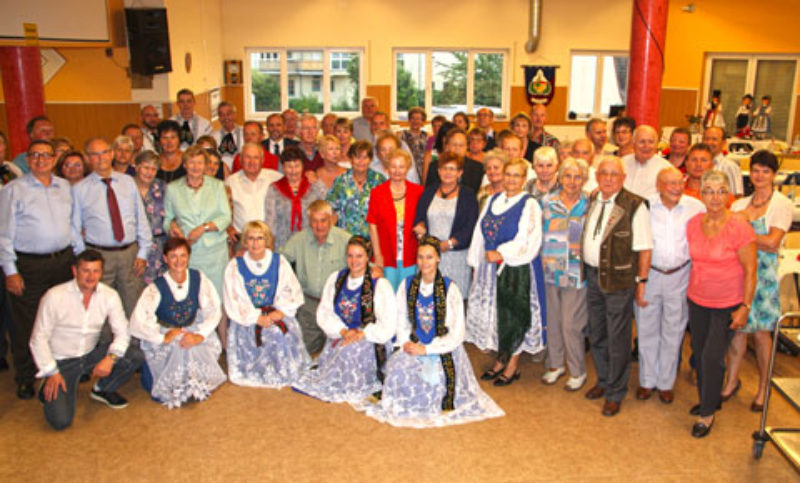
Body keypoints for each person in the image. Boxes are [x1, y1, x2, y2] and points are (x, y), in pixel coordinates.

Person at [362, 236, 505, 428]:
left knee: (435, 380)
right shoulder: (407, 285)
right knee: (397, 370)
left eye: (429, 257)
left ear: (438, 258)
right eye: (420, 257)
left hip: (443, 348)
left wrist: (428, 350)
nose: (424, 262)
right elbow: (401, 319)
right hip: (415, 343)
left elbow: (456, 334)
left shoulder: (450, 289)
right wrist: (406, 342)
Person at [29, 250, 143, 430]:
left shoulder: (109, 295)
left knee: (134, 354)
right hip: (61, 363)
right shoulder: (54, 296)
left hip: (90, 355)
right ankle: (49, 384)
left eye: (96, 271)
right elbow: (37, 339)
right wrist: (51, 371)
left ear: (101, 272)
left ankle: (102, 388)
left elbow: (123, 332)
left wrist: (110, 358)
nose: (91, 276)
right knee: (61, 422)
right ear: (75, 271)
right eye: (86, 271)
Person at [0, 140, 76, 399]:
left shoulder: (64, 187)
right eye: (35, 156)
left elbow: (71, 225)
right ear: (28, 159)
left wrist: (79, 257)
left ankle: (58, 368)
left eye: (46, 156)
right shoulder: (14, 190)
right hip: (29, 265)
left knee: (60, 319)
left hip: (63, 262)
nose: (41, 160)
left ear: (54, 159)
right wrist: (10, 271)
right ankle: (26, 376)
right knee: (27, 323)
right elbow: (4, 235)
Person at [686, 170, 756, 437]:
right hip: (698, 299)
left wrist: (745, 307)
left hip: (728, 303)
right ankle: (710, 398)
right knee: (699, 352)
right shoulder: (693, 223)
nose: (715, 197)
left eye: (720, 191)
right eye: (709, 191)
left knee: (712, 356)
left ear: (728, 194)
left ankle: (706, 414)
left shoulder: (739, 226)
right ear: (701, 194)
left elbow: (751, 270)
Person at [582, 156, 652, 417]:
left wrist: (641, 283)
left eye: (614, 174)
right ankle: (603, 380)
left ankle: (615, 391)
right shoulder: (593, 199)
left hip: (619, 282)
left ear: (623, 178)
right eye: (604, 173)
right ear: (597, 176)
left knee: (618, 338)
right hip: (593, 277)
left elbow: (644, 248)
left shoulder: (635, 205)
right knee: (597, 333)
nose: (609, 178)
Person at [723, 151, 792, 412]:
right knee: (738, 331)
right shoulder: (740, 205)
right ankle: (731, 380)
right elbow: (729, 238)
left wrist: (745, 230)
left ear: (774, 174)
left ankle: (764, 387)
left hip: (763, 278)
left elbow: (773, 243)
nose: (759, 175)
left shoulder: (781, 205)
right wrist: (747, 232)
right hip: (738, 273)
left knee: (762, 335)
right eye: (755, 170)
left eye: (765, 170)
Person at [466, 157, 544, 386]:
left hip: (514, 267)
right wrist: (476, 262)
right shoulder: (493, 199)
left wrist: (501, 253)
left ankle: (513, 364)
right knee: (496, 316)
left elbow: (528, 238)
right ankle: (501, 359)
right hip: (489, 268)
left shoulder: (529, 203)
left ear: (524, 178)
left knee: (513, 314)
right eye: (508, 174)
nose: (511, 179)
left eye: (516, 175)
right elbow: (479, 233)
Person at [292, 236, 396, 403]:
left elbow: (388, 324)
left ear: (368, 257)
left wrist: (361, 334)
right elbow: (324, 311)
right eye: (350, 255)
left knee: (349, 353)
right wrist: (343, 331)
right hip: (342, 335)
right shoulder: (337, 279)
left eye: (359, 256)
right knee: (339, 353)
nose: (354, 261)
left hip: (371, 340)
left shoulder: (379, 285)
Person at [633, 167, 705, 403]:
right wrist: (639, 280)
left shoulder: (696, 207)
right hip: (650, 274)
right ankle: (647, 381)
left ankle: (665, 383)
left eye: (679, 182)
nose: (676, 187)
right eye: (670, 183)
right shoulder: (645, 206)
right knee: (646, 328)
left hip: (680, 275)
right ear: (658, 186)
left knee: (674, 331)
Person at [130, 237, 226, 408]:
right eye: (173, 256)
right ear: (165, 259)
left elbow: (214, 309)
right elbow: (138, 321)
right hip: (168, 331)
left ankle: (192, 382)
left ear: (189, 257)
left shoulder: (199, 278)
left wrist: (200, 335)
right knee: (177, 346)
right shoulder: (156, 287)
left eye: (183, 256)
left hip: (192, 328)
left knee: (192, 344)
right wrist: (163, 337)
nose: (179, 261)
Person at [72, 137, 152, 317]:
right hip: (99, 255)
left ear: (112, 154)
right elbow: (74, 229)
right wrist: (83, 258)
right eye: (95, 154)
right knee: (101, 305)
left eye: (105, 153)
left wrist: (142, 253)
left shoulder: (128, 182)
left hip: (130, 253)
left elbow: (141, 219)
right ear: (87, 158)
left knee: (132, 302)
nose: (101, 158)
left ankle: (134, 343)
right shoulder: (80, 189)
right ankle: (105, 343)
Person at [223, 221, 309, 387]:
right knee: (260, 335)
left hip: (275, 311)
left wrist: (281, 311)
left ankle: (280, 370)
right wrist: (256, 317)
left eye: (260, 238)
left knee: (279, 333)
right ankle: (259, 369)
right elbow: (234, 298)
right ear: (245, 242)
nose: (255, 243)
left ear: (267, 240)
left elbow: (291, 289)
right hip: (248, 317)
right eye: (251, 238)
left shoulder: (279, 261)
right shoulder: (235, 266)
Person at [540, 157, 591, 390]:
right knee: (554, 320)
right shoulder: (546, 202)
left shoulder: (590, 203)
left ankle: (577, 370)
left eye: (577, 177)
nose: (572, 181)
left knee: (571, 324)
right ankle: (556, 364)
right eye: (568, 176)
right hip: (550, 269)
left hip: (576, 272)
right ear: (559, 178)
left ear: (584, 179)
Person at [280, 201, 351, 354]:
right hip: (309, 305)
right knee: (303, 353)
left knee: (338, 353)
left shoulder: (344, 239)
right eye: (314, 221)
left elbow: (361, 262)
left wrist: (374, 271)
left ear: (332, 220)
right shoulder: (299, 239)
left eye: (323, 220)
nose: (319, 226)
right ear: (309, 221)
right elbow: (279, 260)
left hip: (336, 307)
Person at [164, 146, 232, 301]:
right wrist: (172, 228)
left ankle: (221, 326)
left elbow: (226, 217)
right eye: (191, 162)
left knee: (218, 297)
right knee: (194, 297)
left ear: (206, 165)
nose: (196, 167)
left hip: (215, 252)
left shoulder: (217, 186)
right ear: (184, 165)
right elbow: (167, 220)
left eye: (200, 163)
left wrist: (203, 228)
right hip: (189, 252)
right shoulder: (173, 188)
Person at [413, 151, 479, 296]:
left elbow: (470, 227)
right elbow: (419, 218)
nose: (447, 172)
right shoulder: (429, 192)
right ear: (438, 171)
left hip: (456, 257)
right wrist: (420, 228)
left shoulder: (468, 195)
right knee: (429, 298)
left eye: (452, 168)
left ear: (460, 172)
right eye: (444, 168)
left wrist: (448, 244)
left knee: (454, 300)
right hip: (429, 257)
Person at [367, 150, 424, 290]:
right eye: (393, 166)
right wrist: (377, 253)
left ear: (407, 168)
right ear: (387, 168)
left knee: (407, 293)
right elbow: (372, 225)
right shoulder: (377, 192)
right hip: (386, 253)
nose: (397, 170)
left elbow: (423, 219)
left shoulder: (418, 191)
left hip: (411, 253)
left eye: (401, 166)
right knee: (387, 294)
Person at [264, 146, 328, 250]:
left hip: (310, 243)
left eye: (297, 166)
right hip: (283, 244)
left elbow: (328, 202)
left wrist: (317, 181)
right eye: (289, 166)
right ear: (283, 168)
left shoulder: (312, 185)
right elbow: (271, 220)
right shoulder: (274, 189)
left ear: (303, 166)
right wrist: (269, 243)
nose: (293, 171)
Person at [226, 142, 282, 252]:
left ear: (262, 160)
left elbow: (295, 182)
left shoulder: (275, 178)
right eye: (248, 157)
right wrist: (228, 227)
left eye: (256, 158)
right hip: (242, 241)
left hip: (268, 240)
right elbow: (222, 210)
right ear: (241, 160)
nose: (252, 162)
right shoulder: (230, 182)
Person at [326, 141, 385, 239]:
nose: (361, 161)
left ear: (370, 159)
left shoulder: (379, 180)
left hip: (373, 240)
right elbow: (331, 210)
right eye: (357, 157)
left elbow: (386, 212)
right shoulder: (341, 182)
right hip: (345, 240)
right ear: (351, 159)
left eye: (365, 157)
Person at [133, 151, 168, 285]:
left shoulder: (162, 187)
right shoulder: (126, 186)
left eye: (154, 169)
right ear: (136, 167)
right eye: (146, 168)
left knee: (158, 288)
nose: (149, 172)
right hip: (135, 246)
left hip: (159, 246)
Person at [425, 128, 484, 194]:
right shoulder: (435, 166)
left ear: (467, 147)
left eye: (461, 145)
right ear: (447, 146)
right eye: (454, 145)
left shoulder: (478, 168)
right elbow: (429, 191)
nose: (457, 148)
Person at [622, 125, 671, 198]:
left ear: (656, 144)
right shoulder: (622, 163)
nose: (646, 146)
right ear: (633, 143)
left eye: (651, 142)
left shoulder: (666, 169)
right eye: (642, 141)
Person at [683, 143, 734, 207]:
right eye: (694, 160)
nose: (698, 164)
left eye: (704, 160)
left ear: (712, 165)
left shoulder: (723, 194)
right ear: (686, 163)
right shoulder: (676, 191)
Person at [702, 126, 743, 196]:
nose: (709, 142)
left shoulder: (730, 167)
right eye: (706, 139)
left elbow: (737, 196)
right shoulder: (697, 165)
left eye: (714, 139)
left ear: (724, 142)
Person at [212, 101, 243, 170]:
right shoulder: (214, 137)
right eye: (222, 115)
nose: (225, 118)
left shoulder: (244, 133)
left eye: (228, 114)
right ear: (219, 118)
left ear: (235, 115)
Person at [400, 107, 428, 180]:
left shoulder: (427, 137)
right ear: (409, 120)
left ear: (423, 121)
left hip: (423, 172)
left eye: (418, 118)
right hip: (406, 172)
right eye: (413, 118)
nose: (415, 121)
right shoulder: (401, 135)